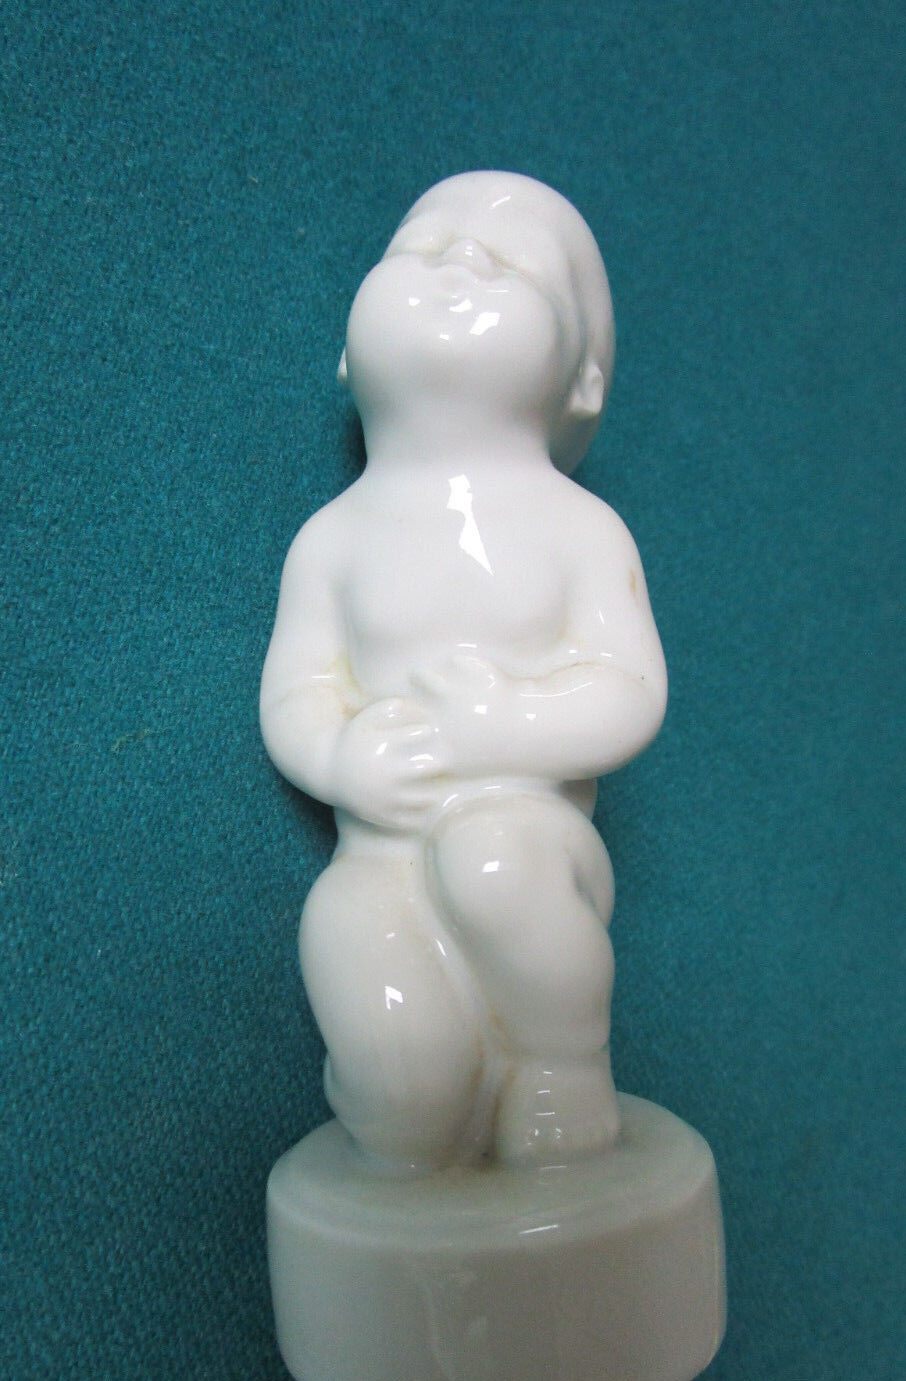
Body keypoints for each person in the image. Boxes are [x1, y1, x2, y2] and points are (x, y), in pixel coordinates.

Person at [261, 172, 667, 1171]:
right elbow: (297, 692)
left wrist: (509, 727)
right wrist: (342, 759)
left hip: (531, 841)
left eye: (516, 266)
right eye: (419, 249)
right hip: (380, 858)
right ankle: (417, 1105)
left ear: (582, 382)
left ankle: (563, 1063)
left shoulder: (581, 530)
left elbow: (631, 691)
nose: (462, 261)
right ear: (349, 354)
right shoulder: (331, 541)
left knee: (489, 861)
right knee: (398, 1092)